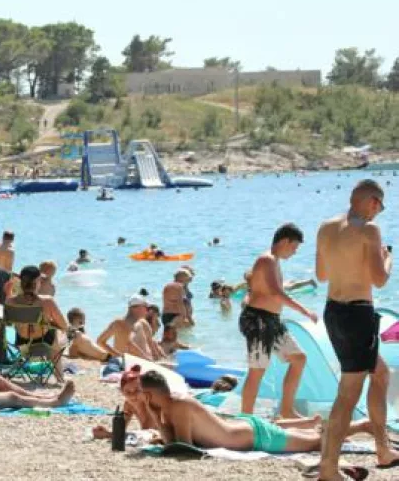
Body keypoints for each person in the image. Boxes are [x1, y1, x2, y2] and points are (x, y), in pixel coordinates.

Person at [139, 370, 375, 475]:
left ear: (150, 393)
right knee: (310, 438)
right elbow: (175, 444)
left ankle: (361, 425)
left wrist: (158, 423)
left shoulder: (179, 406)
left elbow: (183, 446)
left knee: (315, 443)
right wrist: (154, 414)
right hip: (243, 429)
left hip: (256, 435)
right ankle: (337, 426)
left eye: (142, 394)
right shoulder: (167, 408)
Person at [317, 179, 399, 478]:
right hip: (358, 313)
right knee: (348, 392)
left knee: (381, 374)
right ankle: (328, 467)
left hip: (333, 311)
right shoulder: (370, 229)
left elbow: (322, 273)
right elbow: (379, 279)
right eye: (380, 206)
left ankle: (383, 448)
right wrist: (387, 260)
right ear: (373, 201)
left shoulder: (326, 226)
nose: (378, 213)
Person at [239, 223, 315, 419]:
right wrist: (304, 311)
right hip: (258, 319)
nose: (295, 252)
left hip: (271, 319)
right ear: (284, 241)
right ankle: (246, 417)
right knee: (257, 370)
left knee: (298, 358)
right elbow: (275, 292)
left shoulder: (274, 261)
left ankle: (287, 410)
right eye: (294, 246)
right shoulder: (267, 260)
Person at [7, 265, 69, 382]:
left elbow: (8, 323)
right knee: (58, 333)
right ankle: (60, 376)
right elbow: (64, 325)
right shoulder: (47, 301)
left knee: (51, 332)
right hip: (44, 347)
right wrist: (49, 323)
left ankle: (20, 363)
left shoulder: (11, 301)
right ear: (37, 282)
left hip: (21, 346)